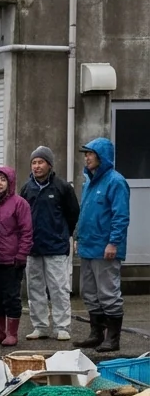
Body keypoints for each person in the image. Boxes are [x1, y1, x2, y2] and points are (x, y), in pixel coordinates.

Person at [73, 138, 131, 353]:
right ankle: (96, 334)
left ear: (101, 156)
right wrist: (78, 237)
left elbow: (121, 215)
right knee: (89, 292)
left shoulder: (116, 182)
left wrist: (113, 242)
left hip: (105, 248)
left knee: (108, 292)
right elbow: (84, 212)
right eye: (85, 154)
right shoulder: (88, 182)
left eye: (90, 153)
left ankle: (112, 339)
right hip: (88, 246)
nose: (86, 157)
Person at [20, 146, 80, 341]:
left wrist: (65, 235)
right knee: (35, 288)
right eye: (34, 162)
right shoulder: (26, 188)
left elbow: (73, 214)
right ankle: (40, 326)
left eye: (40, 162)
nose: (37, 166)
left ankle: (62, 326)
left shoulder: (62, 187)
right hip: (33, 248)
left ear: (49, 164)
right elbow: (21, 217)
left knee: (59, 288)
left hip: (56, 247)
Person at [0, 166, 33, 347]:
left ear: (10, 183)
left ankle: (12, 333)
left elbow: (27, 232)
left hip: (11, 260)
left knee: (11, 296)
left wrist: (21, 255)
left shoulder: (20, 204)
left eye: (3, 180)